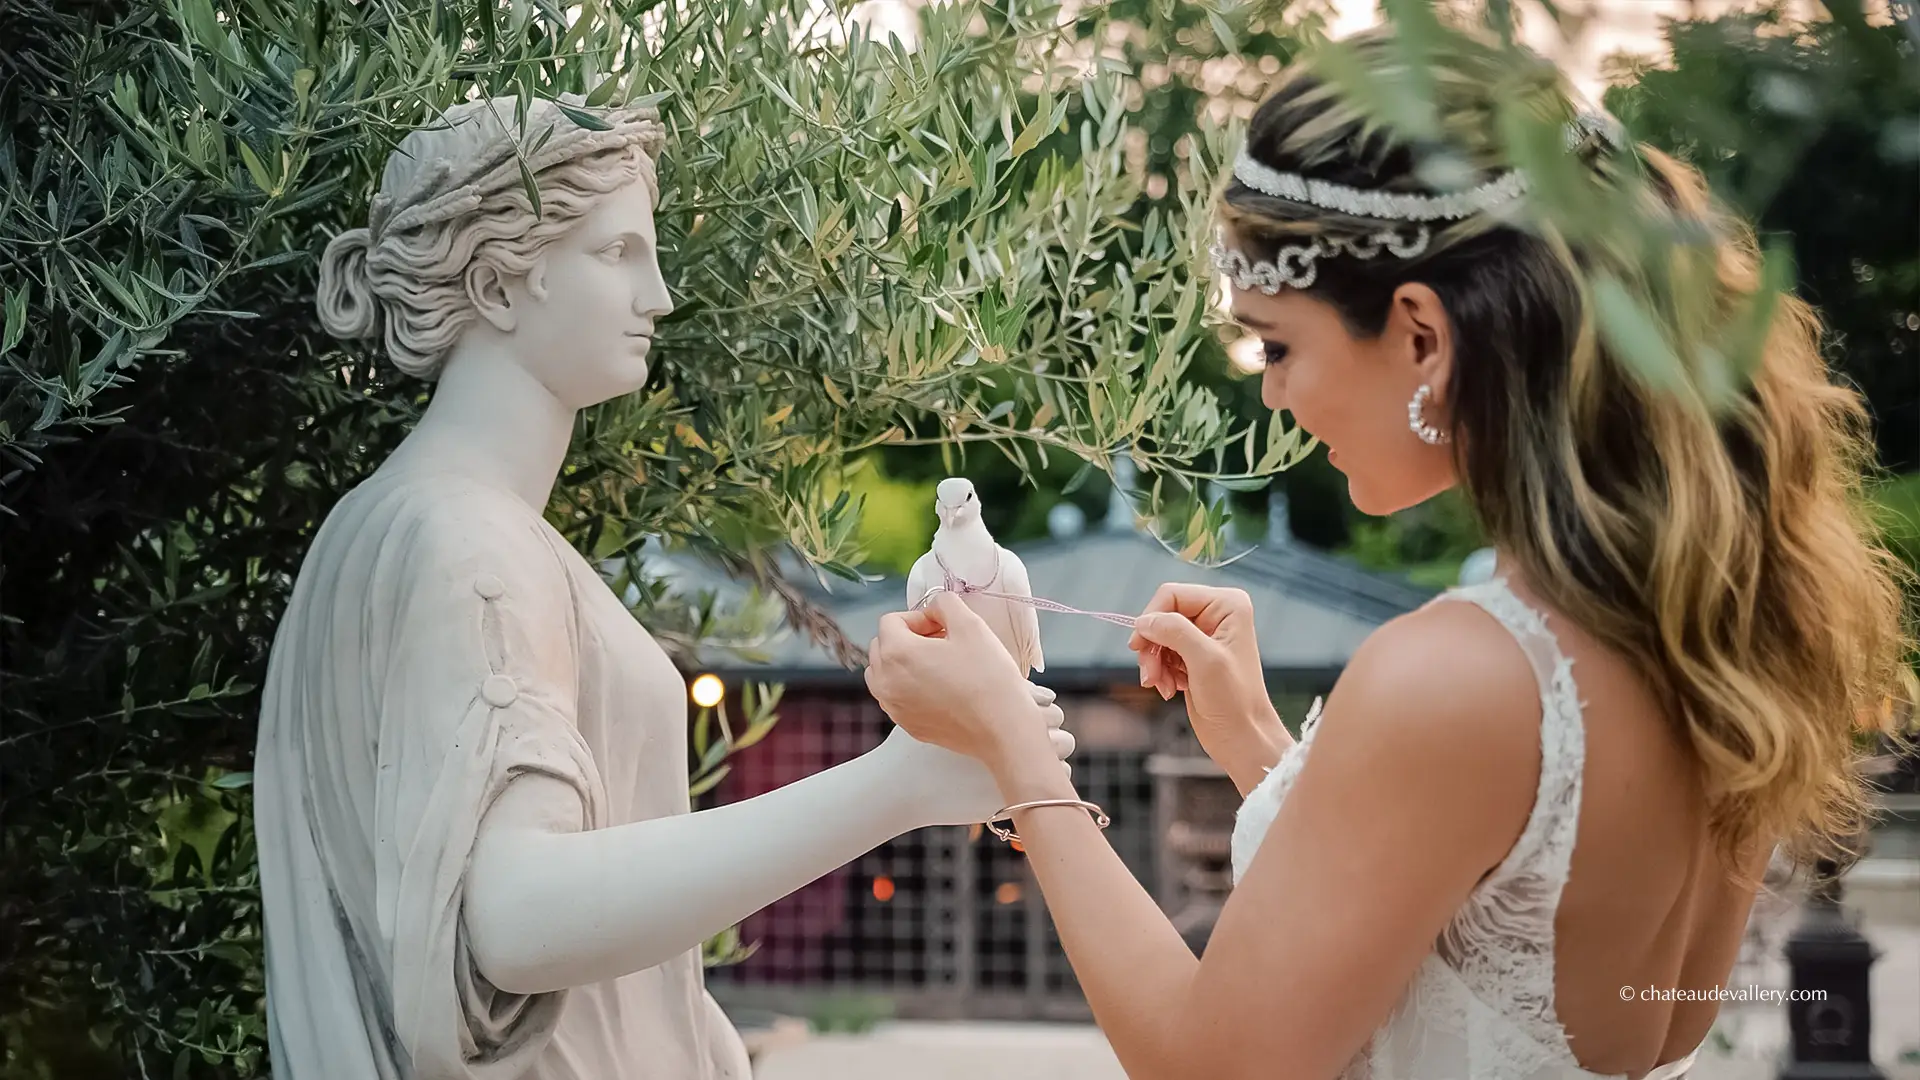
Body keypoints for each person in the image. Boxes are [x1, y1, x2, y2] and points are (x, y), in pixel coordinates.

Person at [863, 26, 1915, 1080]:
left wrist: (1012, 742)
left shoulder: (1455, 676)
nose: (1270, 390)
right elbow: (1509, 958)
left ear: (1421, 334)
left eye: (1278, 344)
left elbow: (1208, 1065)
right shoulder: (1703, 629)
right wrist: (1261, 748)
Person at [254, 95, 1070, 1080]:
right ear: (497, 285)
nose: (659, 297)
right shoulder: (467, 543)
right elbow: (516, 920)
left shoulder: (402, 527)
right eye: (618, 254)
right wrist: (901, 783)